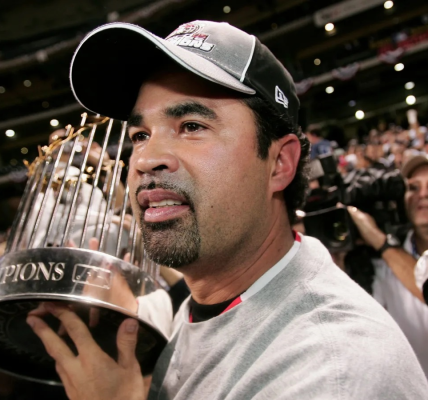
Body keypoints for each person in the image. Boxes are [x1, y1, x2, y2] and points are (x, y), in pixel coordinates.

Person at [25, 20, 428, 399]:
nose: (146, 159)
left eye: (191, 126)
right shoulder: (216, 295)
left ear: (279, 164)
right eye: (140, 134)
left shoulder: (335, 371)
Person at [348, 153, 428, 378]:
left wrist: (380, 241)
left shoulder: (386, 250)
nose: (423, 194)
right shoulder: (385, 262)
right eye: (413, 187)